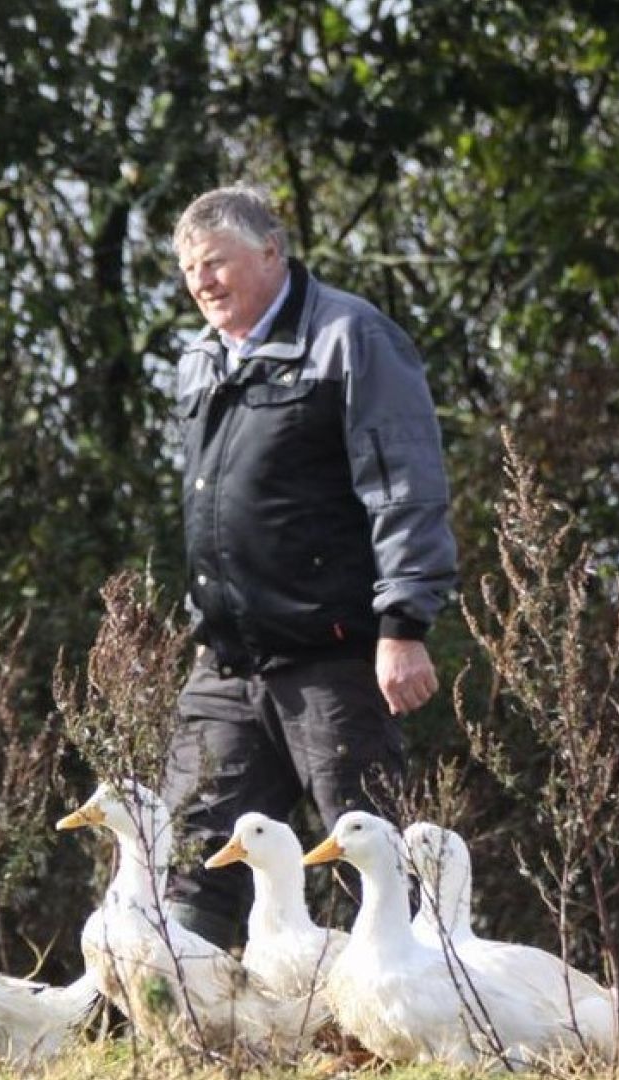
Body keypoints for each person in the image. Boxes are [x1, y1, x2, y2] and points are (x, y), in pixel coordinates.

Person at [161, 185, 458, 948]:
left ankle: (427, 1034)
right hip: (227, 662)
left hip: (335, 655)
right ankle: (175, 1039)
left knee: (375, 858)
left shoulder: (352, 336)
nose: (202, 282)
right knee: (193, 858)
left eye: (217, 262)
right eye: (190, 269)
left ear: (271, 251)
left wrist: (403, 625)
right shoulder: (198, 361)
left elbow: (404, 483)